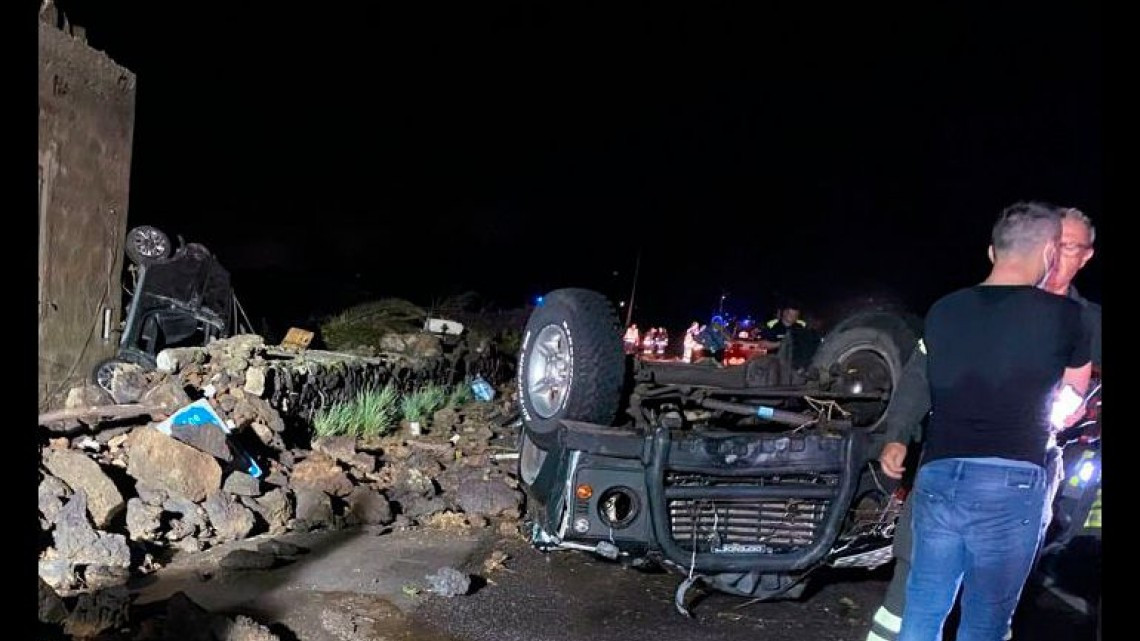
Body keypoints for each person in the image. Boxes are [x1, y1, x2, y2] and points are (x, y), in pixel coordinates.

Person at [865, 205, 1101, 641]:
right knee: (943, 606)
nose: (1059, 256)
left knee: (956, 606)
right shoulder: (1046, 318)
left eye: (1071, 247)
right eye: (1057, 244)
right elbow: (921, 373)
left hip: (1013, 470)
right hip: (990, 478)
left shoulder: (1084, 320)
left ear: (1085, 255)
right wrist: (897, 432)